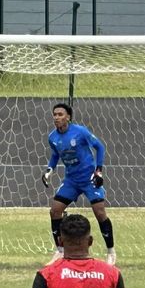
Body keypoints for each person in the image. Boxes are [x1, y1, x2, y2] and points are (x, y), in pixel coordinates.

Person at [41, 103, 117, 265]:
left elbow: (100, 147)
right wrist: (49, 170)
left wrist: (99, 171)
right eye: (55, 114)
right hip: (71, 180)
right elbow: (55, 155)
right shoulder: (52, 137)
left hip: (88, 178)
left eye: (60, 114)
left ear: (68, 117)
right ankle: (60, 251)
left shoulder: (80, 132)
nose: (56, 117)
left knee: (100, 212)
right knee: (55, 211)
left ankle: (111, 252)